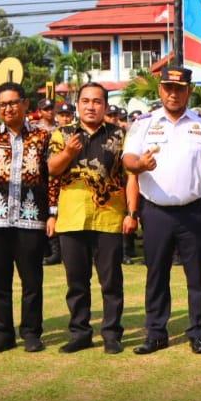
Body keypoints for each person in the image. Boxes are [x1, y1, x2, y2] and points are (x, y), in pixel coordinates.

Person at [122, 66, 201, 354]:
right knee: (157, 274)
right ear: (160, 90)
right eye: (168, 88)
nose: (173, 94)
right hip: (156, 212)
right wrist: (140, 165)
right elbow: (128, 160)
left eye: (180, 89)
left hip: (195, 211)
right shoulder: (144, 123)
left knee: (198, 275)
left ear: (189, 91)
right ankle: (156, 333)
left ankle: (198, 332)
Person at [47, 81, 134, 354]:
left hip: (109, 217)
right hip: (72, 218)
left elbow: (130, 176)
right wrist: (68, 153)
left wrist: (131, 213)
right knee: (77, 282)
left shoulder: (120, 135)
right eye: (85, 101)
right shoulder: (62, 134)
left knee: (111, 282)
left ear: (105, 106)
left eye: (97, 101)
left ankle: (111, 334)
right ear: (78, 105)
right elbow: (52, 169)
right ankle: (80, 333)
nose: (91, 106)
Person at [0, 81, 51, 352]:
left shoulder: (42, 136)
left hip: (30, 216)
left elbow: (51, 176)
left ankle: (31, 333)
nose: (8, 108)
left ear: (25, 104)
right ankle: (2, 334)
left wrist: (52, 212)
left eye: (13, 102)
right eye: (2, 104)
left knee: (32, 280)